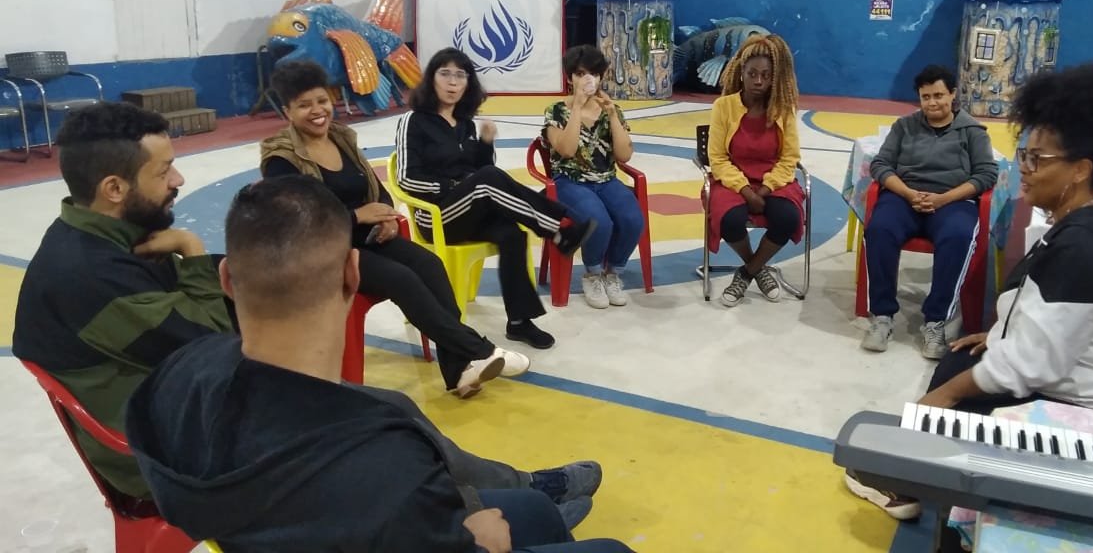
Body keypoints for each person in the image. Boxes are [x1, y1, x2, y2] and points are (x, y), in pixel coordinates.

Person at [125, 175, 630, 553]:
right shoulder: (384, 460)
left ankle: (536, 498)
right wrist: (479, 542)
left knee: (538, 512)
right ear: (352, 274)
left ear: (227, 280)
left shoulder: (174, 381)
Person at [845, 64, 1093, 520]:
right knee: (961, 357)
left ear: (1080, 170)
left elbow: (1029, 364)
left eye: (1036, 159)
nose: (1022, 169)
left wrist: (943, 399)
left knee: (950, 388)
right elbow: (1062, 314)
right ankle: (921, 479)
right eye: (1025, 154)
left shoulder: (1085, 245)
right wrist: (1002, 331)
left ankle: (921, 489)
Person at [261, 61, 529, 398]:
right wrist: (357, 216)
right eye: (304, 105)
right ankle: (480, 350)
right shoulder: (281, 159)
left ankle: (458, 370)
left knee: (430, 265)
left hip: (368, 239)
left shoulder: (342, 138)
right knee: (402, 279)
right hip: (322, 252)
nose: (317, 111)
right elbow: (296, 222)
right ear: (287, 111)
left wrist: (387, 215)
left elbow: (374, 186)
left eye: (322, 101)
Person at [13, 102, 234, 505]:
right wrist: (194, 251)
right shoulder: (89, 277)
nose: (179, 179)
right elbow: (216, 347)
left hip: (161, 401)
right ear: (114, 188)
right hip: (160, 456)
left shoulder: (93, 231)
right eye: (164, 171)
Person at [395, 48, 596, 350]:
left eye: (460, 75)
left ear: (468, 83)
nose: (452, 82)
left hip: (471, 205)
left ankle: (519, 321)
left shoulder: (465, 124)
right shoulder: (413, 121)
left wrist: (486, 144)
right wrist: (452, 186)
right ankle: (557, 227)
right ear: (431, 79)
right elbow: (405, 178)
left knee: (511, 233)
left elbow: (480, 171)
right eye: (445, 74)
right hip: (436, 215)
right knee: (487, 181)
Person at [861, 65, 998, 359]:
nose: (932, 102)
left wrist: (943, 199)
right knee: (879, 229)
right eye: (926, 97)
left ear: (952, 94)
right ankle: (882, 316)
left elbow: (986, 175)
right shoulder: (904, 126)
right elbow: (880, 165)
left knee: (959, 236)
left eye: (938, 95)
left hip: (952, 201)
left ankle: (935, 321)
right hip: (905, 198)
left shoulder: (973, 132)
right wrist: (909, 194)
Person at [705, 34, 805, 307]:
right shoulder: (723, 107)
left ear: (774, 78)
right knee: (729, 220)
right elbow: (717, 158)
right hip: (732, 179)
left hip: (775, 179)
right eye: (752, 74)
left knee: (787, 218)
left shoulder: (784, 109)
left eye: (765, 75)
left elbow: (789, 158)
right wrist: (746, 191)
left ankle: (746, 273)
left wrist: (766, 188)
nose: (758, 81)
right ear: (741, 74)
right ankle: (758, 268)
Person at [543, 45, 644, 309]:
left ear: (601, 77)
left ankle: (613, 273)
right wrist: (576, 107)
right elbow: (566, 150)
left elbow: (624, 156)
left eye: (593, 74)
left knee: (633, 218)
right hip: (569, 181)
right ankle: (592, 274)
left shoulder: (613, 109)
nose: (587, 80)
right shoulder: (556, 111)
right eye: (580, 74)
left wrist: (611, 115)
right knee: (600, 221)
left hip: (606, 180)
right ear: (569, 78)